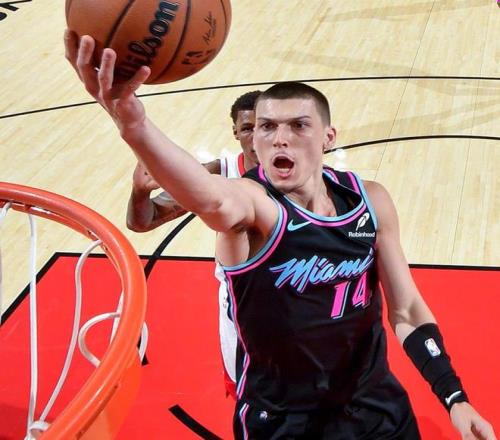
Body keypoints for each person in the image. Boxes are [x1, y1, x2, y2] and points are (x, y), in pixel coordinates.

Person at [64, 31, 496, 440]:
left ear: (328, 138)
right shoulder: (253, 207)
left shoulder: (370, 200)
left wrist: (453, 396)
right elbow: (210, 199)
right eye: (267, 127)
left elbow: (407, 311)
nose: (279, 139)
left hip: (375, 408)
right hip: (285, 422)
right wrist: (134, 125)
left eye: (298, 126)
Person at [126, 90, 261, 397]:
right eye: (247, 128)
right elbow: (143, 221)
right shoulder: (217, 173)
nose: (255, 137)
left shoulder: (298, 170)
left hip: (297, 291)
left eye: (264, 125)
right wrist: (140, 191)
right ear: (236, 132)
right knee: (250, 396)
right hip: (242, 303)